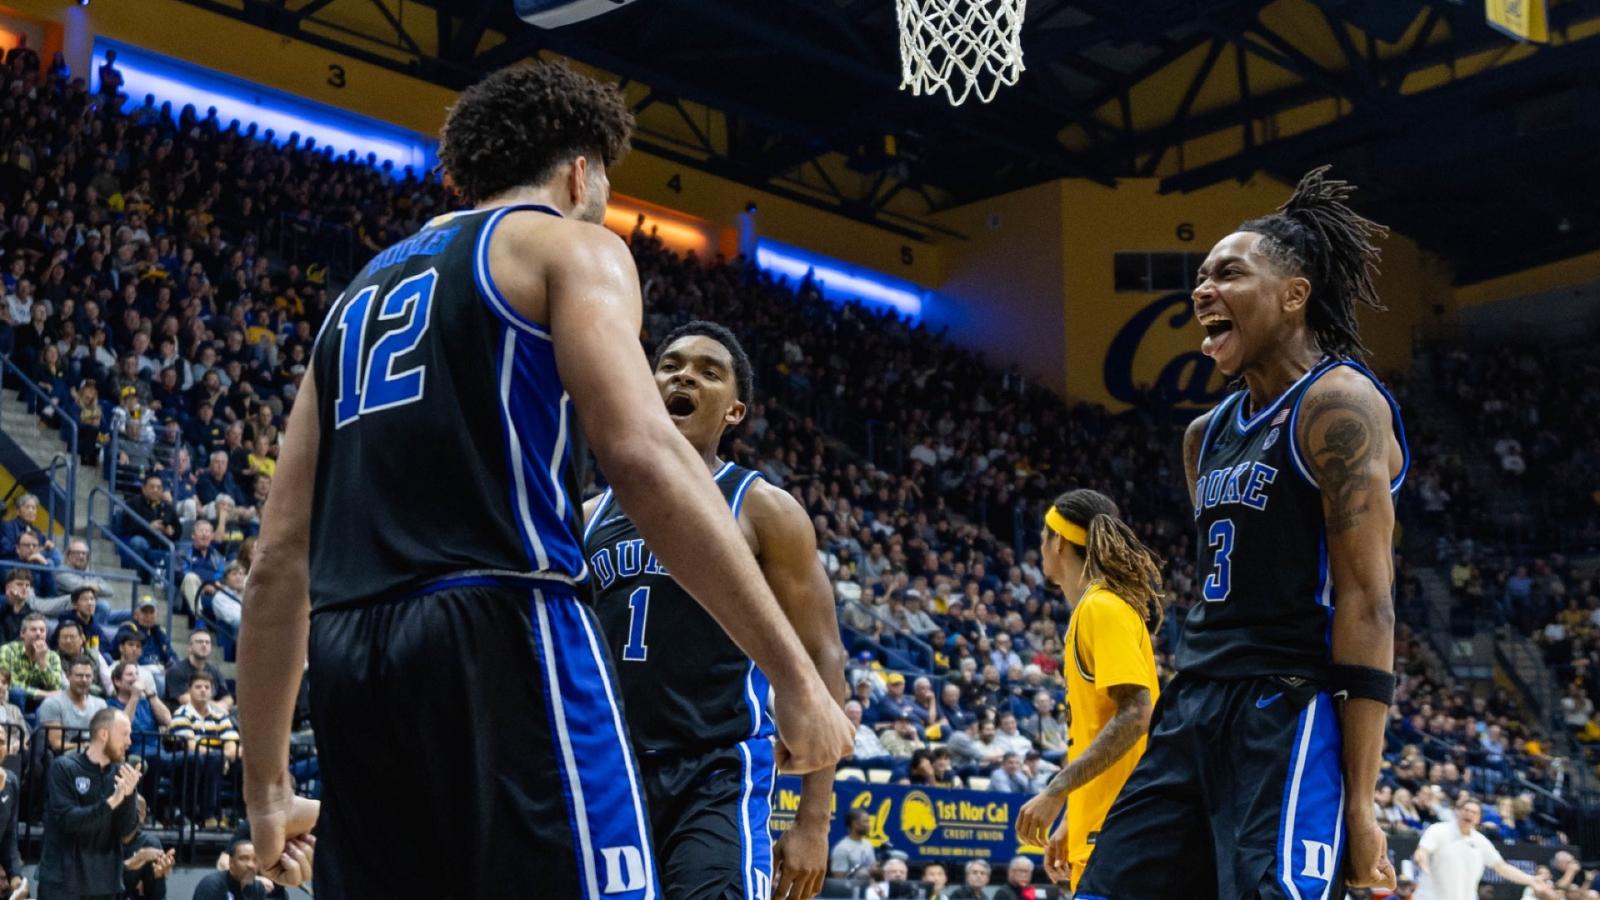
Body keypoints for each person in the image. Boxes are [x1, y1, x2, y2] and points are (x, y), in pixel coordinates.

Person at [238, 62, 852, 897]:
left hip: (354, 659)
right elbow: (638, 455)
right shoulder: (571, 245)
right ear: (579, 171)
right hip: (503, 625)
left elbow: (278, 556)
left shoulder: (354, 300)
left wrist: (267, 787)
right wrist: (791, 675)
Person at [1075, 168, 1411, 899]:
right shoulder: (1205, 435)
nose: (1202, 291)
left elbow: (1369, 602)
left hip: (1285, 703)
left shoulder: (1339, 405)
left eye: (1228, 273)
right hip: (1194, 699)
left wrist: (1362, 801)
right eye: (1199, 277)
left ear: (1295, 295)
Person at [586, 321, 850, 898]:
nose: (685, 375)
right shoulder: (590, 514)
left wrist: (813, 821)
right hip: (612, 772)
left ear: (734, 411)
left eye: (709, 372)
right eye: (671, 365)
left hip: (716, 769)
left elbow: (823, 653)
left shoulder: (764, 509)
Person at [36, 708, 142, 899]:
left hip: (105, 884)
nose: (129, 742)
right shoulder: (64, 767)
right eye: (125, 734)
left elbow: (126, 835)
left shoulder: (123, 775)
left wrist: (127, 797)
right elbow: (68, 820)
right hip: (62, 882)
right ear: (104, 734)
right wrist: (112, 802)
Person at [1414, 798, 1548, 899]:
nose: (1469, 814)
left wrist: (1530, 879)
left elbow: (1502, 867)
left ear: (1478, 819)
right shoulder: (1438, 830)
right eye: (1466, 810)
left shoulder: (1480, 841)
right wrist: (1422, 862)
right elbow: (1422, 851)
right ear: (1459, 812)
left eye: (1474, 812)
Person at [39, 656, 110, 754]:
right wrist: (85, 747)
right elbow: (56, 744)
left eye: (88, 676)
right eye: (79, 675)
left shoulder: (100, 704)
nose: (84, 680)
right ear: (68, 677)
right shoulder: (52, 703)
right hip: (65, 757)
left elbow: (105, 737)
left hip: (95, 754)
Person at [1, 613, 63, 706]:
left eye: (42, 630)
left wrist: (43, 663)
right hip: (14, 700)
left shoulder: (53, 656)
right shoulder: (8, 650)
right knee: (17, 692)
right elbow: (9, 684)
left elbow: (56, 686)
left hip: (42, 703)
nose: (38, 633)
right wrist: (44, 694)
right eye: (33, 630)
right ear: (22, 634)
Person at [191, 840, 285, 900]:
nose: (251, 865)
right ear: (231, 863)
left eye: (255, 860)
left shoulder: (257, 888)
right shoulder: (212, 884)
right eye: (244, 858)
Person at [122, 795, 175, 900]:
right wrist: (131, 865)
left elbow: (157, 896)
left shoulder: (150, 844)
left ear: (143, 815)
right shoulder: (103, 841)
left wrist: (158, 877)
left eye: (136, 811)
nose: (129, 815)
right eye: (124, 809)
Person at [163, 631, 229, 710]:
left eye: (207, 642)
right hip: (186, 717)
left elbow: (227, 697)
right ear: (189, 647)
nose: (204, 645)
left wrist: (223, 705)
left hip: (211, 714)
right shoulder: (176, 670)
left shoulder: (214, 671)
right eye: (199, 642)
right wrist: (217, 708)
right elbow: (187, 700)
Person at [830, 810, 877, 879]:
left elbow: (873, 870)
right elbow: (839, 880)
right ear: (855, 824)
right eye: (866, 821)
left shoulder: (868, 844)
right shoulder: (841, 849)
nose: (869, 825)